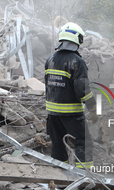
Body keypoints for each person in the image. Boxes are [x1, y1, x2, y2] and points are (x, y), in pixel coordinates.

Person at [45, 22, 97, 169]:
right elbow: (83, 90)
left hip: (53, 114)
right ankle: (84, 178)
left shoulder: (50, 60)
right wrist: (93, 108)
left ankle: (60, 177)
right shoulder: (76, 61)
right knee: (83, 142)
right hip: (71, 113)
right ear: (77, 39)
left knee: (58, 145)